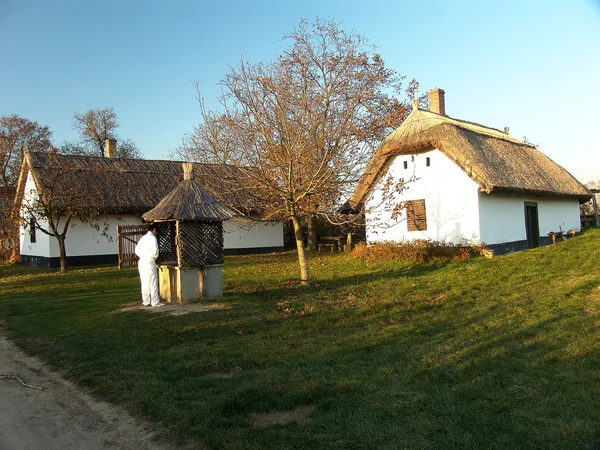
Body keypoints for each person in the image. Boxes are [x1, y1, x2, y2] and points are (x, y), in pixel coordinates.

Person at [135, 223, 164, 307]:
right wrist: (153, 257)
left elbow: (137, 250)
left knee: (144, 282)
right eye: (157, 232)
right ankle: (155, 301)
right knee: (153, 282)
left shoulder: (143, 238)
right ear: (154, 230)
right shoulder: (152, 238)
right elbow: (155, 251)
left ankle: (146, 301)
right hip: (149, 261)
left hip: (142, 262)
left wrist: (143, 255)